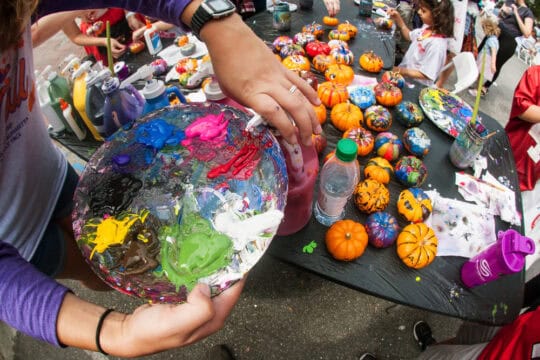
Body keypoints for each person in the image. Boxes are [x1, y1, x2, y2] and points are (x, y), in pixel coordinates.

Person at [1, 0, 320, 357]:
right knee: (105, 273)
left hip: (52, 177)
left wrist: (213, 21)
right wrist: (112, 330)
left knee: (107, 268)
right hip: (16, 243)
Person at [32, 8, 147, 65]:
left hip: (121, 15)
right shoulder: (56, 6)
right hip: (97, 36)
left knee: (148, 51)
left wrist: (129, 14)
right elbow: (75, 36)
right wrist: (104, 41)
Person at [387, 0, 455, 86]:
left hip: (416, 85)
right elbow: (409, 36)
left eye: (423, 11)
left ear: (437, 15)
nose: (419, 12)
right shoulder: (427, 28)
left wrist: (400, 70)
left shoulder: (437, 45)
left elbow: (426, 74)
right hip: (403, 76)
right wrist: (398, 18)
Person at [476, 0, 534, 96]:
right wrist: (503, 12)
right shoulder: (510, 2)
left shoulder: (528, 12)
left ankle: (485, 87)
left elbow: (527, 33)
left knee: (497, 64)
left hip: (509, 39)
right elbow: (500, 15)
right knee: (482, 53)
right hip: (497, 32)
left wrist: (516, 13)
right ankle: (475, 80)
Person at [468, 12, 500, 96]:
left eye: (484, 28)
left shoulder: (492, 40)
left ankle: (477, 91)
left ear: (488, 28)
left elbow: (494, 52)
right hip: (484, 58)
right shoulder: (493, 38)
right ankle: (476, 87)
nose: (483, 31)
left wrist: (493, 64)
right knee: (479, 75)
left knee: (480, 76)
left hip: (486, 60)